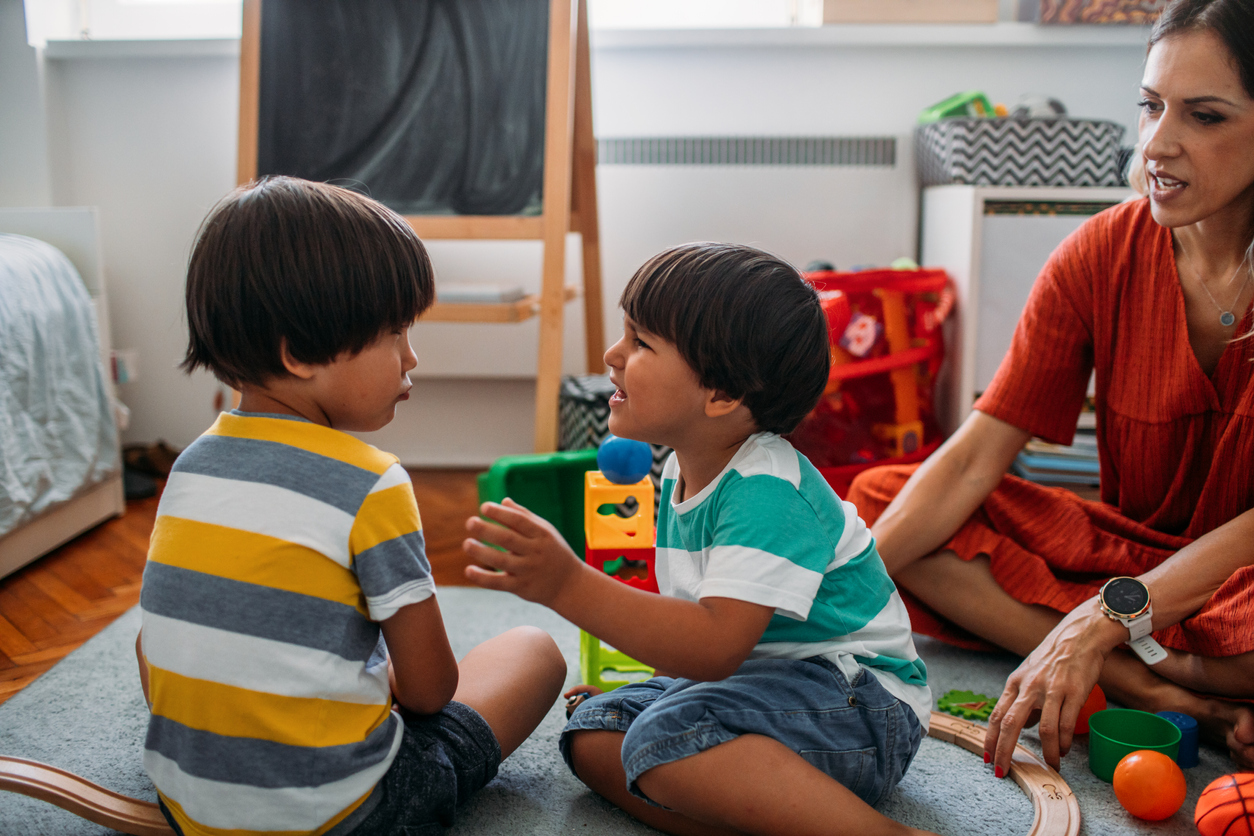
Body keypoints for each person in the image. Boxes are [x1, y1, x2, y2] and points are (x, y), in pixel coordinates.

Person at [847, 0, 1254, 782]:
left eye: (1203, 116)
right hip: (1132, 562)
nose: (1158, 143)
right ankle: (1172, 690)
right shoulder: (1101, 252)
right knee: (877, 504)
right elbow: (974, 462)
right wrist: (818, 613)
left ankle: (1125, 654)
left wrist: (1101, 619)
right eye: (1149, 105)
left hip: (1220, 582)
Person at [134, 176, 566, 836]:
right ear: (299, 353)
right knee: (534, 652)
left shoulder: (188, 466)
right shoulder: (371, 482)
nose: (411, 355)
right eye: (394, 332)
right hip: (352, 814)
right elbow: (428, 692)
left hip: (188, 805)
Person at [463, 243, 934, 836]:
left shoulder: (768, 489)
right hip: (761, 682)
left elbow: (714, 646)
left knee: (665, 739)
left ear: (721, 395)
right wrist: (655, 687)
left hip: (861, 706)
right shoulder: (680, 469)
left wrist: (567, 584)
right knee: (594, 734)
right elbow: (693, 631)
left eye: (640, 343)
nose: (612, 355)